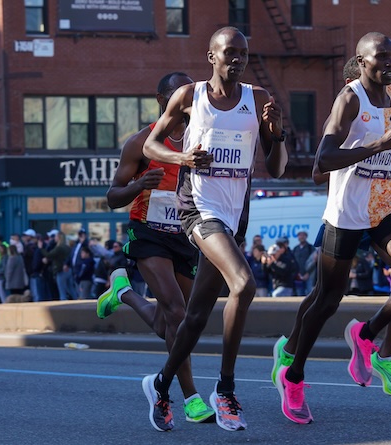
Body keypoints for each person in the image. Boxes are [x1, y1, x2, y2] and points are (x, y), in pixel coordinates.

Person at [273, 32, 391, 425]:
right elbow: (323, 161)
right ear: (362, 62)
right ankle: (293, 375)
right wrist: (381, 146)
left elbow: (387, 149)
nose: (390, 63)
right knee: (327, 300)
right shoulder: (349, 99)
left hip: (384, 204)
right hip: (346, 211)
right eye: (381, 57)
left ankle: (367, 336)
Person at [139, 27, 288, 432]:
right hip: (199, 210)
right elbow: (151, 145)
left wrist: (276, 132)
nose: (236, 59)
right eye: (228, 52)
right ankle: (225, 390)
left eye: (243, 53)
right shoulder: (190, 96)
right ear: (212, 56)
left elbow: (277, 167)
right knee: (244, 284)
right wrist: (184, 158)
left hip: (235, 216)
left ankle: (161, 385)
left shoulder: (258, 99)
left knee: (196, 316)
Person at [99, 71, 215, 429]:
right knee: (177, 313)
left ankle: (124, 293)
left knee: (175, 322)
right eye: (180, 94)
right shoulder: (141, 142)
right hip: (148, 234)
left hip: (186, 236)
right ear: (163, 100)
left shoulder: (202, 137)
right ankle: (191, 398)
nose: (187, 101)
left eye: (191, 94)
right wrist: (138, 185)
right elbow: (112, 197)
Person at [292, 231, 313, 296]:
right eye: (300, 235)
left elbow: (314, 262)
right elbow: (293, 262)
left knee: (310, 294)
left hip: (309, 275)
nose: (301, 237)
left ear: (306, 237)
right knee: (299, 295)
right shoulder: (295, 248)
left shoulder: (310, 248)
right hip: (298, 276)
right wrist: (297, 273)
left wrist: (307, 273)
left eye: (303, 235)